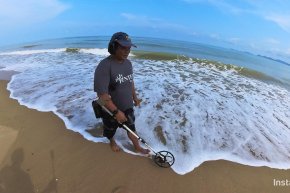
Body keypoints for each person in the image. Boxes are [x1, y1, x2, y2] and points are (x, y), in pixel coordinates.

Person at [94, 32, 150, 154]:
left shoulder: (128, 63)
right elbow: (101, 96)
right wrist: (116, 112)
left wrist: (135, 98)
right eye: (123, 48)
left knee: (131, 128)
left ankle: (138, 147)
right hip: (110, 110)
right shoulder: (104, 66)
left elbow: (130, 81)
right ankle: (112, 141)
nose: (127, 51)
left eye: (128, 48)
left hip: (127, 106)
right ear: (113, 47)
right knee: (110, 130)